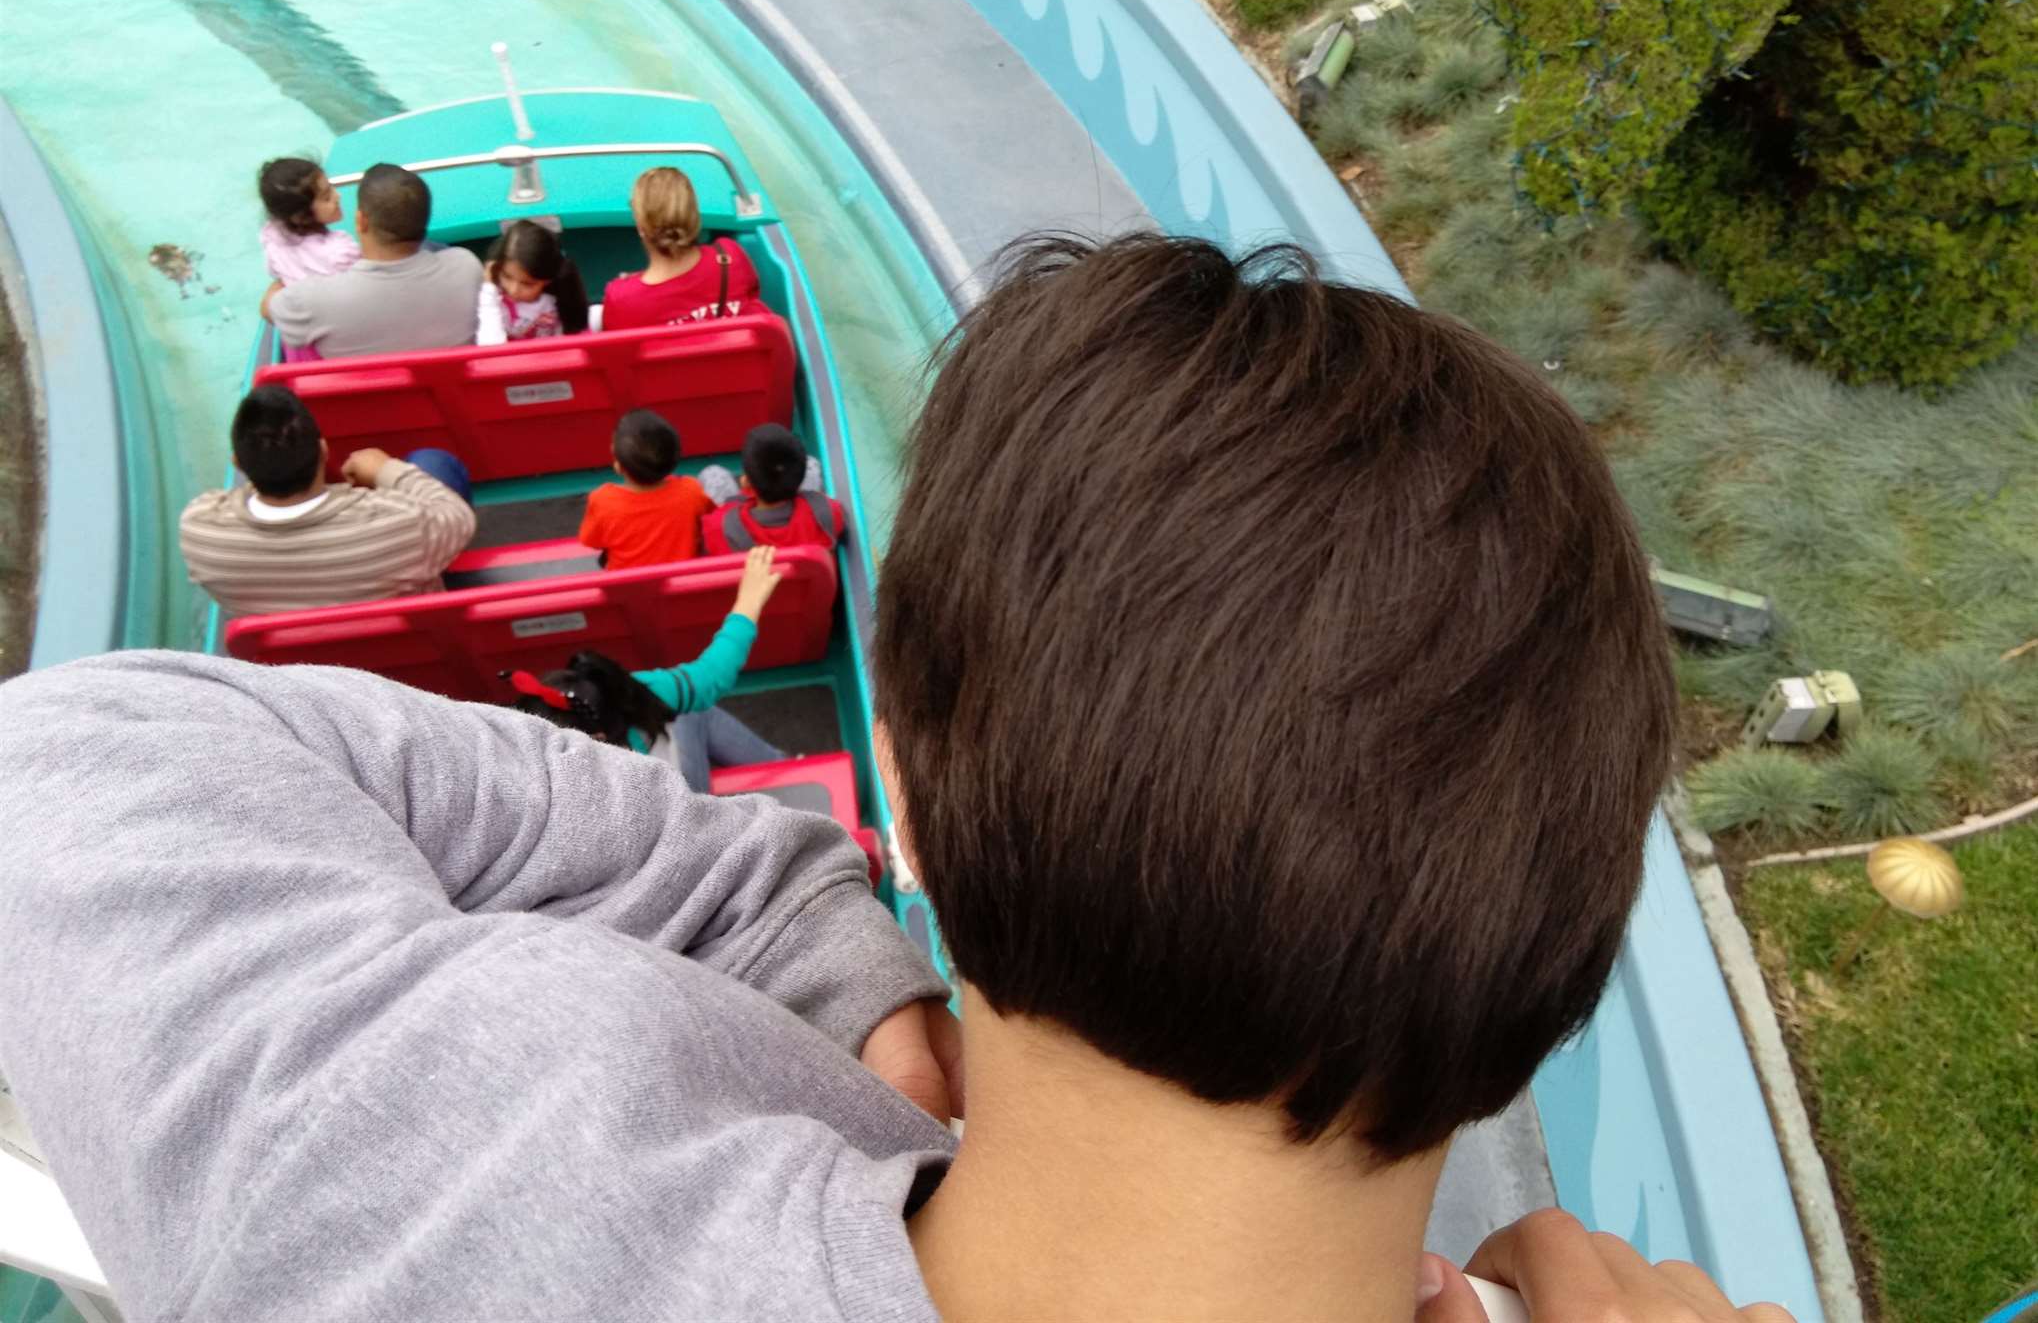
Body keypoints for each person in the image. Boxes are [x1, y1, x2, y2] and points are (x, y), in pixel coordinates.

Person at [0, 234, 1794, 1323]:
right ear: (1562, 943)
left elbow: (70, 754)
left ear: (905, 805)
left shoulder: (436, 1162)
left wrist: (810, 945)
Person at [179, 384, 476, 617]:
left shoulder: (199, 531)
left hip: (294, 666)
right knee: (432, 462)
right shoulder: (400, 523)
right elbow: (457, 515)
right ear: (323, 450)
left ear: (238, 464)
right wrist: (385, 469)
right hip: (402, 644)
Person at [506, 545, 787, 789]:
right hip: (684, 806)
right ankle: (785, 772)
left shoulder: (524, 772)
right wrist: (749, 601)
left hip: (664, 813)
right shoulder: (632, 697)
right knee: (690, 712)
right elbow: (711, 675)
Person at [264, 162, 480, 357]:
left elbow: (268, 308)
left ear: (361, 221)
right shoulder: (467, 266)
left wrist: (282, 278)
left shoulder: (309, 301)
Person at [600, 165, 763, 331]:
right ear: (693, 216)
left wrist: (632, 284)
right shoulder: (729, 257)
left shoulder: (621, 298)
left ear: (641, 227)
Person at [577, 408, 716, 570]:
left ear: (619, 466)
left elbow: (591, 541)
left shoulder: (602, 500)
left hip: (629, 584)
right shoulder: (692, 490)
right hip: (683, 580)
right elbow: (710, 519)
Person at [256, 158, 360, 363]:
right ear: (301, 217)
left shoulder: (271, 237)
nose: (337, 196)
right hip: (339, 344)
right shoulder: (341, 250)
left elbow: (275, 274)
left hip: (300, 350)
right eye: (327, 196)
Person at [700, 421, 846, 555]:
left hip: (752, 572)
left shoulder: (718, 528)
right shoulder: (829, 512)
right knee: (812, 464)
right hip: (809, 573)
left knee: (712, 473)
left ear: (746, 481)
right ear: (800, 478)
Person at [475, 219, 591, 344]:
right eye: (507, 276)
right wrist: (489, 290)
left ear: (547, 280)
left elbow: (575, 333)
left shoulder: (561, 298)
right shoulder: (492, 298)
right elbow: (491, 348)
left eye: (527, 284)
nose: (513, 290)